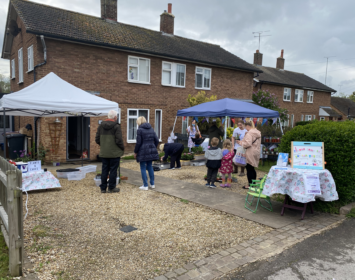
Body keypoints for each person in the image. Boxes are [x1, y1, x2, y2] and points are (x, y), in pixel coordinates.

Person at [95, 110, 124, 193]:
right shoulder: (116, 126)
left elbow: (97, 139)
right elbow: (119, 140)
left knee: (104, 170)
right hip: (114, 153)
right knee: (113, 170)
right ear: (115, 117)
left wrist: (104, 145)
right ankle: (111, 187)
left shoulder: (101, 126)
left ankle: (103, 188)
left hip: (104, 152)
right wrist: (122, 148)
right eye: (117, 116)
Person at [134, 116, 159, 191]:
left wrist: (135, 152)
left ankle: (145, 185)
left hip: (142, 150)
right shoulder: (151, 129)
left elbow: (138, 143)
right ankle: (152, 184)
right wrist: (153, 147)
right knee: (150, 166)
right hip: (151, 150)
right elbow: (157, 140)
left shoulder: (139, 130)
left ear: (139, 122)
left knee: (142, 167)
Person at [236, 120, 261, 189]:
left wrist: (240, 143)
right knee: (252, 168)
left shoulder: (249, 133)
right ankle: (253, 183)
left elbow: (248, 144)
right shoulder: (257, 132)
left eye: (245, 127)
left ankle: (250, 185)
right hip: (256, 151)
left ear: (247, 126)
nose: (245, 128)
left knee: (249, 168)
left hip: (250, 152)